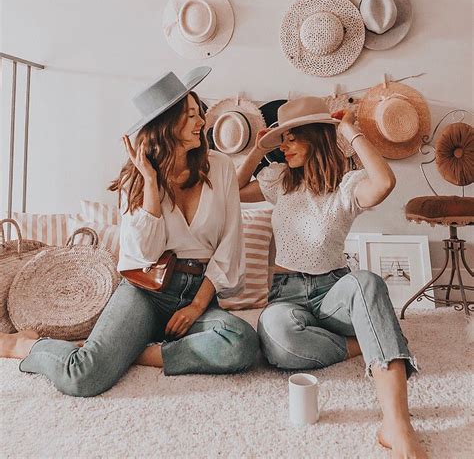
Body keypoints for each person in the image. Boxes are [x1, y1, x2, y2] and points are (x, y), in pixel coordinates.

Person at [0, 66, 259, 396]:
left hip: (198, 292)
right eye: (192, 115)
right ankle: (21, 348)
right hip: (145, 292)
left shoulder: (220, 168)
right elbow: (144, 256)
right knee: (84, 376)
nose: (201, 122)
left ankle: (142, 353)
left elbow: (229, 246)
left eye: (199, 114)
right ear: (167, 125)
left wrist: (195, 307)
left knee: (241, 344)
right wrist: (151, 184)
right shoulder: (136, 180)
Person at [237, 96, 428, 459]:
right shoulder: (279, 181)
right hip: (286, 294)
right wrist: (258, 149)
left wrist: (349, 130)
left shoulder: (347, 185)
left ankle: (397, 425)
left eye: (293, 137)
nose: (285, 146)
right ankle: (364, 343)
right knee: (277, 339)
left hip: (333, 290)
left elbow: (385, 181)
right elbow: (230, 189)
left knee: (367, 282)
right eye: (283, 139)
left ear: (317, 136)